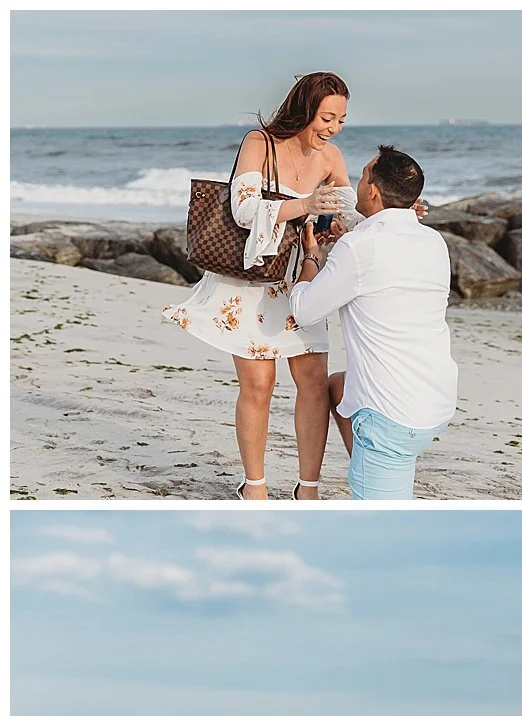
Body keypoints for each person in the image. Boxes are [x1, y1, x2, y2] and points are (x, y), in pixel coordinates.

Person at [165, 71, 356, 499]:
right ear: (305, 109)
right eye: (327, 117)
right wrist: (305, 203)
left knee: (312, 380)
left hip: (298, 280)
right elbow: (244, 209)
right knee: (258, 385)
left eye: (341, 120)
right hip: (247, 282)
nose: (333, 128)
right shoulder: (259, 143)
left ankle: (308, 487)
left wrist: (393, 214)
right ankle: (254, 486)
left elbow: (350, 216)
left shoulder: (331, 158)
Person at [288, 145, 457, 500]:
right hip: (435, 400)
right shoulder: (433, 241)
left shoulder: (358, 246)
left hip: (391, 420)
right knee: (336, 389)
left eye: (362, 176)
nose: (357, 183)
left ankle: (375, 470)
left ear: (373, 191)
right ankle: (371, 466)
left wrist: (312, 259)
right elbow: (381, 269)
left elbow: (304, 310)